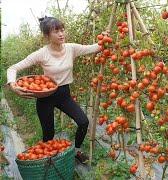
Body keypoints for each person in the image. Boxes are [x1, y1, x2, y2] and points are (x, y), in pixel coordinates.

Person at [6, 16, 100, 164]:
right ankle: (47, 161)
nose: (61, 34)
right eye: (56, 31)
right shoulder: (42, 53)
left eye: (62, 30)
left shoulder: (71, 48)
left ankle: (76, 151)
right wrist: (12, 84)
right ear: (47, 35)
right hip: (46, 97)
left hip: (64, 94)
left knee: (83, 121)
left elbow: (94, 47)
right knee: (48, 133)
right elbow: (13, 68)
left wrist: (105, 39)